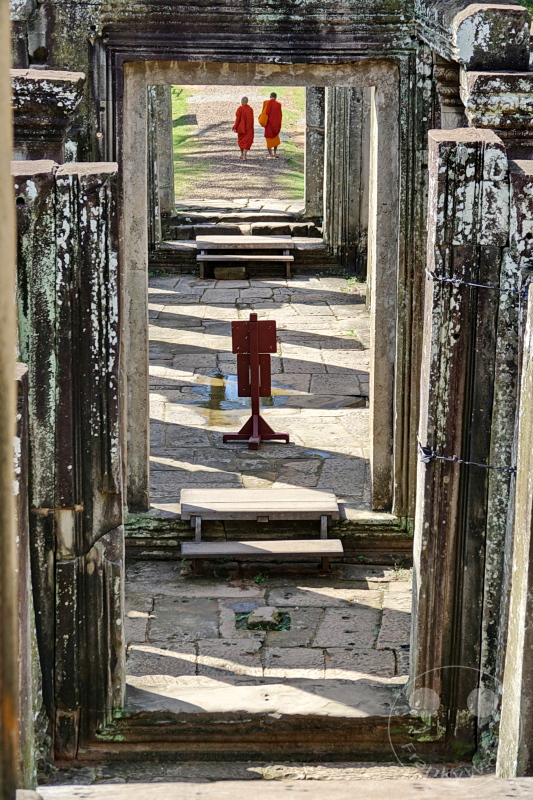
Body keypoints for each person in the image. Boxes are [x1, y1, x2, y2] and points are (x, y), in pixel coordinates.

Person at [261, 92, 282, 158]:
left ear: (270, 97)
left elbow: (266, 112)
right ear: (276, 98)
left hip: (269, 124)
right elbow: (280, 115)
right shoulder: (278, 104)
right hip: (276, 124)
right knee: (275, 138)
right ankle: (275, 153)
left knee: (269, 139)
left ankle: (270, 155)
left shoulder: (268, 103)